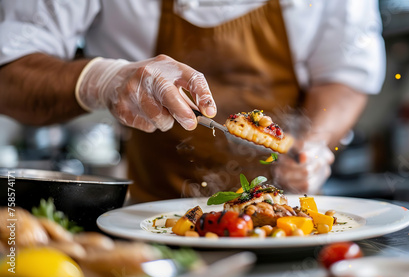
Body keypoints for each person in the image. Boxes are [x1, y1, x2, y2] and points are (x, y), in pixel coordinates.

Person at [0, 0, 385, 202]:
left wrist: (313, 143)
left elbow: (345, 73)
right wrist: (104, 79)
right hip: (150, 219)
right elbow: (9, 73)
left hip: (290, 221)